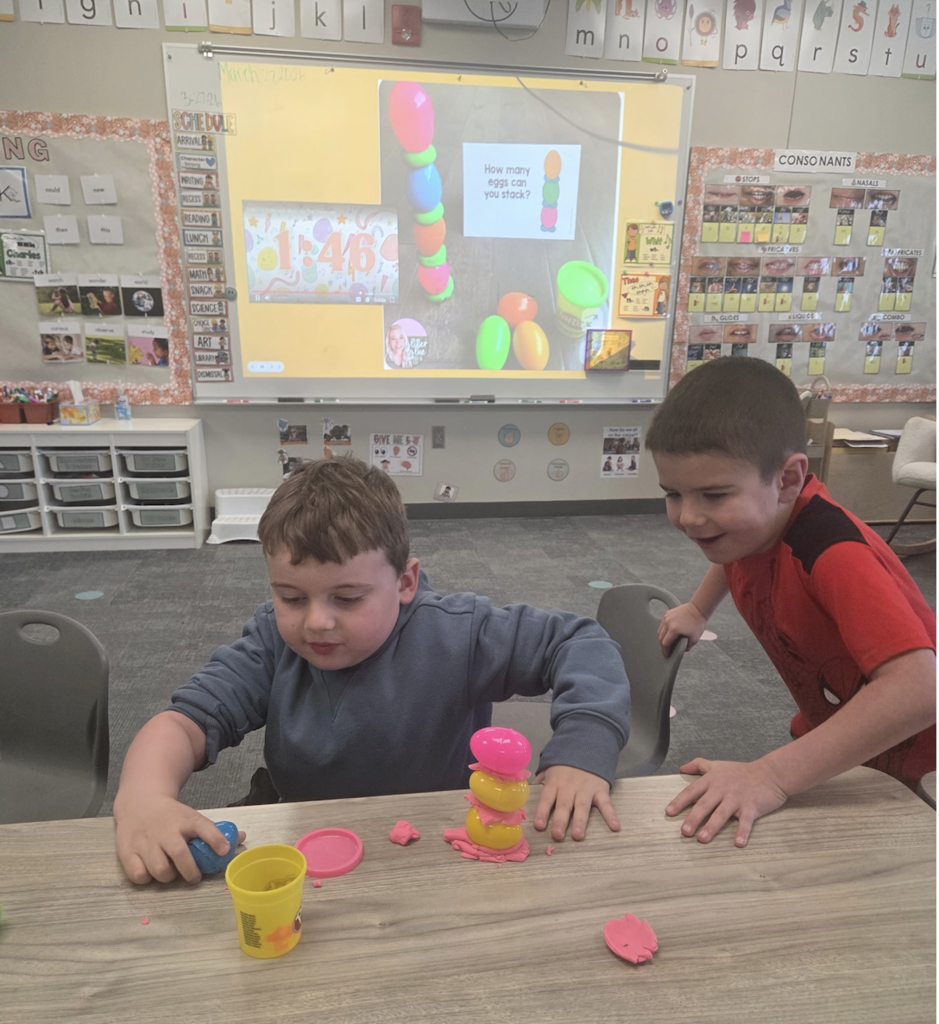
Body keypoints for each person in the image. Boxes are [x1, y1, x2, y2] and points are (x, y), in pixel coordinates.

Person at [113, 457, 631, 884]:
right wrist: (143, 798)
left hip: (431, 849)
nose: (316, 621)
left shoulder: (457, 633)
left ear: (405, 583)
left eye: (348, 597)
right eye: (291, 596)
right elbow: (183, 724)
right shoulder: (274, 637)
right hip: (304, 840)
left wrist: (583, 750)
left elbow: (578, 641)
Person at [645, 357, 935, 848]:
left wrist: (773, 776)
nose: (690, 518)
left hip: (920, 775)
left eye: (713, 495)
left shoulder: (832, 551)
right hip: (851, 754)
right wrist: (698, 608)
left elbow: (921, 689)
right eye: (673, 494)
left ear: (786, 480)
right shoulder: (754, 526)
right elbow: (734, 550)